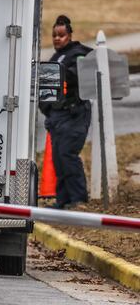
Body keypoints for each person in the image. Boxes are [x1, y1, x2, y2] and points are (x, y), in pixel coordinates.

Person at [40, 15, 92, 210]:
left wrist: (59, 71)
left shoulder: (78, 54)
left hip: (74, 115)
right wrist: (47, 109)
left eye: (61, 35)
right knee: (59, 159)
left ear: (69, 35)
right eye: (54, 35)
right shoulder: (57, 56)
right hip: (57, 117)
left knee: (68, 155)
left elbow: (74, 75)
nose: (57, 39)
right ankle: (63, 201)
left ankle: (78, 199)